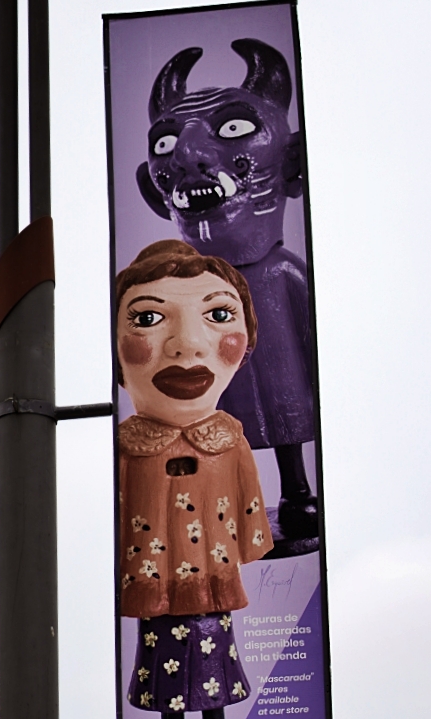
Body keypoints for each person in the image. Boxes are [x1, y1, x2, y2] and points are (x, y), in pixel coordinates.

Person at [135, 37, 317, 541]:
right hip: (220, 387)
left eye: (234, 128)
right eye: (167, 143)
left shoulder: (283, 273)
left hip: (282, 384)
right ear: (153, 191)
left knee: (282, 431)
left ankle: (296, 492)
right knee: (223, 436)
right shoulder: (189, 290)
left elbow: (315, 340)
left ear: (292, 164)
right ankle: (240, 508)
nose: (188, 154)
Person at [117, 239, 274, 719]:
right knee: (164, 667)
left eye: (218, 315)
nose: (186, 346)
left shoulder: (229, 439)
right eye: (148, 318)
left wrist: (248, 545)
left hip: (211, 579)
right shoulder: (126, 449)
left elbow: (251, 508)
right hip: (155, 581)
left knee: (215, 662)